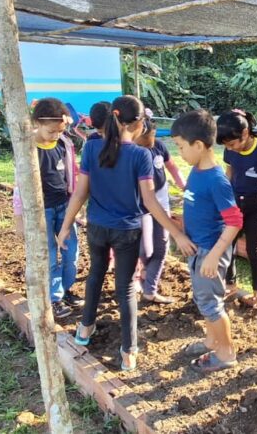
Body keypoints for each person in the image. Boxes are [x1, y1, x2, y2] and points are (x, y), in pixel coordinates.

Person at [57, 95, 195, 371]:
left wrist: (64, 228)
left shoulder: (92, 148)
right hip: (127, 232)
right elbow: (150, 202)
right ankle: (129, 350)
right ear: (140, 123)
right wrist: (177, 233)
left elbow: (80, 193)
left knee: (95, 275)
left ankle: (85, 329)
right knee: (126, 288)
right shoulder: (140, 155)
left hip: (97, 228)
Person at [171, 109, 243, 372]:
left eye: (181, 147)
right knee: (204, 300)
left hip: (210, 252)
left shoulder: (216, 180)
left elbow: (235, 221)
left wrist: (213, 255)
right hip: (198, 249)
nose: (179, 153)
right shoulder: (196, 171)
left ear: (199, 145)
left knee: (211, 304)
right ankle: (212, 340)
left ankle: (226, 353)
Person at [12, 97, 81, 319]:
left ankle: (66, 289)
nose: (56, 135)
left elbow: (72, 174)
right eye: (51, 131)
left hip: (64, 206)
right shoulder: (27, 149)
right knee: (50, 255)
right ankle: (54, 298)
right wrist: (19, 219)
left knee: (71, 251)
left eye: (60, 131)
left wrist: (76, 205)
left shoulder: (64, 144)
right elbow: (19, 186)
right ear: (37, 123)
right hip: (41, 211)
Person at [217, 109, 257, 309]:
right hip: (235, 204)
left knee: (254, 250)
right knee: (228, 245)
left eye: (232, 144)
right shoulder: (230, 150)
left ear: (245, 134)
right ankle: (230, 284)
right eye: (226, 146)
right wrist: (222, 202)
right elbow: (229, 175)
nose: (230, 148)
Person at [132, 108, 186, 304]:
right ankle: (138, 275)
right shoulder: (132, 153)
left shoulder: (159, 147)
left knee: (161, 246)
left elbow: (172, 167)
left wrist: (184, 186)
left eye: (153, 137)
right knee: (145, 249)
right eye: (147, 139)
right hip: (140, 206)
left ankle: (150, 289)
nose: (151, 142)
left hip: (161, 201)